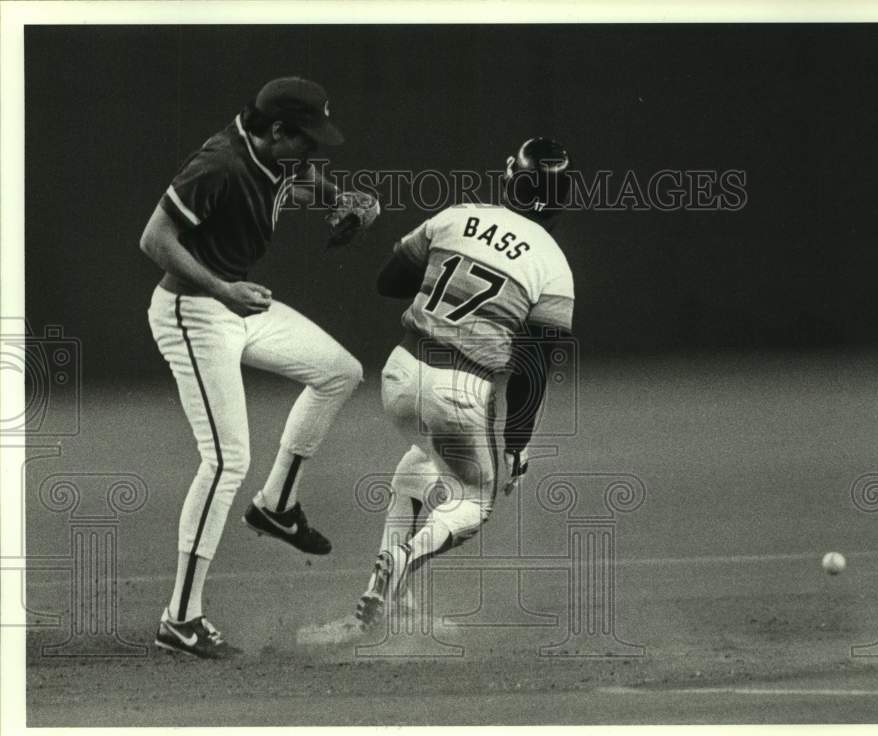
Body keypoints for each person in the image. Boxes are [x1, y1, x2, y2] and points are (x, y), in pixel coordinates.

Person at [298, 137, 575, 646]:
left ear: (510, 177)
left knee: (415, 470)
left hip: (401, 373)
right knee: (476, 500)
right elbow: (533, 369)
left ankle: (389, 611)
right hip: (462, 387)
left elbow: (389, 281)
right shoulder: (554, 265)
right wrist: (516, 445)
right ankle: (399, 564)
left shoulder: (458, 215)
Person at [141, 77, 377, 658]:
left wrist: (342, 202)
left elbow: (296, 182)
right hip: (193, 311)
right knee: (225, 460)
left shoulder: (269, 153)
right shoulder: (219, 164)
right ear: (277, 130)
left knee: (339, 371)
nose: (313, 150)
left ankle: (276, 505)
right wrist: (223, 289)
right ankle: (181, 618)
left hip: (235, 306)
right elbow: (154, 239)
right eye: (307, 139)